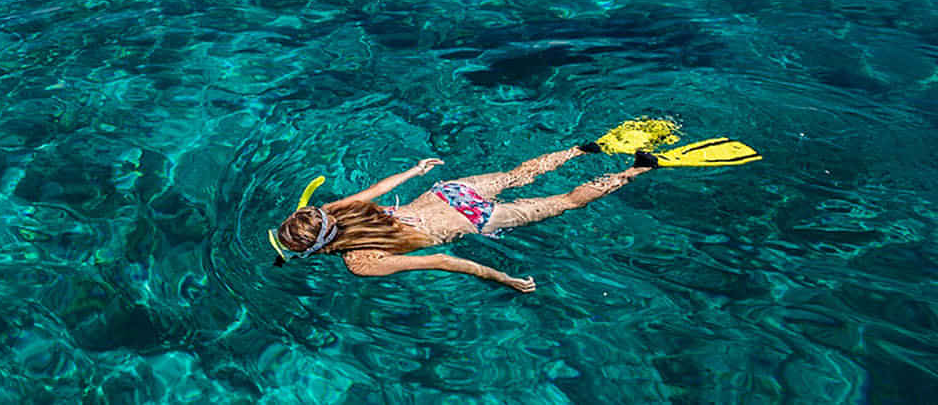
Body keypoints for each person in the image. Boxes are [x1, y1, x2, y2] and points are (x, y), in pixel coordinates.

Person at [271, 144, 659, 293]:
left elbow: (442, 260)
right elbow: (372, 193)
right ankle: (583, 149)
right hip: (449, 191)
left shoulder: (360, 262)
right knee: (518, 173)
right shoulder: (337, 210)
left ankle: (639, 169)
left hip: (475, 218)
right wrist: (415, 171)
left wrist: (504, 279)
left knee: (570, 201)